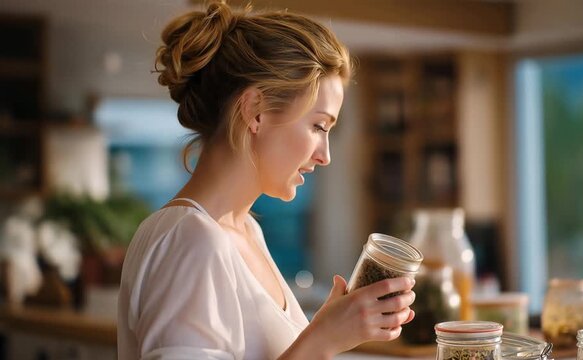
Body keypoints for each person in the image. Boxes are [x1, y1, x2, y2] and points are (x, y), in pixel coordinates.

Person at [117, 1, 416, 359]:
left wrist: (331, 327)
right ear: (255, 110)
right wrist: (323, 340)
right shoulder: (192, 240)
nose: (325, 155)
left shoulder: (246, 232)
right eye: (318, 126)